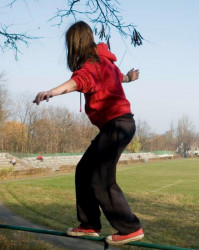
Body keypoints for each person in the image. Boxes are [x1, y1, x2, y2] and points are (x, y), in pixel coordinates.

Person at [33, 21, 143, 246]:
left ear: (75, 44)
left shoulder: (92, 65)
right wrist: (130, 78)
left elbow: (77, 82)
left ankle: (130, 228)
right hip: (120, 125)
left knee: (101, 179)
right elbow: (119, 78)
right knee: (84, 171)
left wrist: (51, 92)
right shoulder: (107, 63)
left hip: (116, 125)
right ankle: (89, 225)